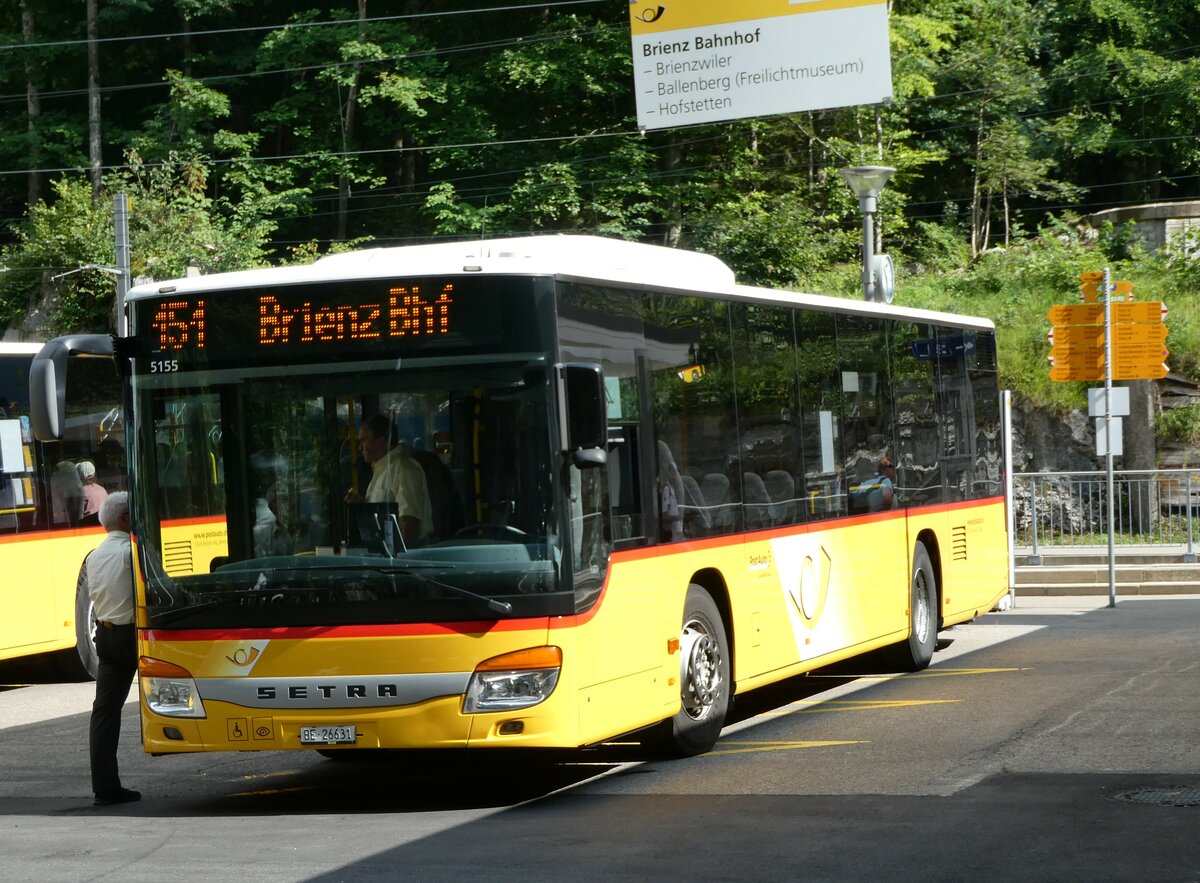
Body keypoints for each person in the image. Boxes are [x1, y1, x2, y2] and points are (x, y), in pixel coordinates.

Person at [86, 491, 140, 806]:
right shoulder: (130, 553)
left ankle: (105, 787)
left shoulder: (94, 555)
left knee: (104, 713)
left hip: (105, 638)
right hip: (133, 636)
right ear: (124, 519)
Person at [345, 414, 433, 546]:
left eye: (364, 441)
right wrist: (361, 507)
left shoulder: (403, 469)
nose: (359, 447)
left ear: (382, 442)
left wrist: (398, 563)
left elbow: (410, 524)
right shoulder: (382, 471)